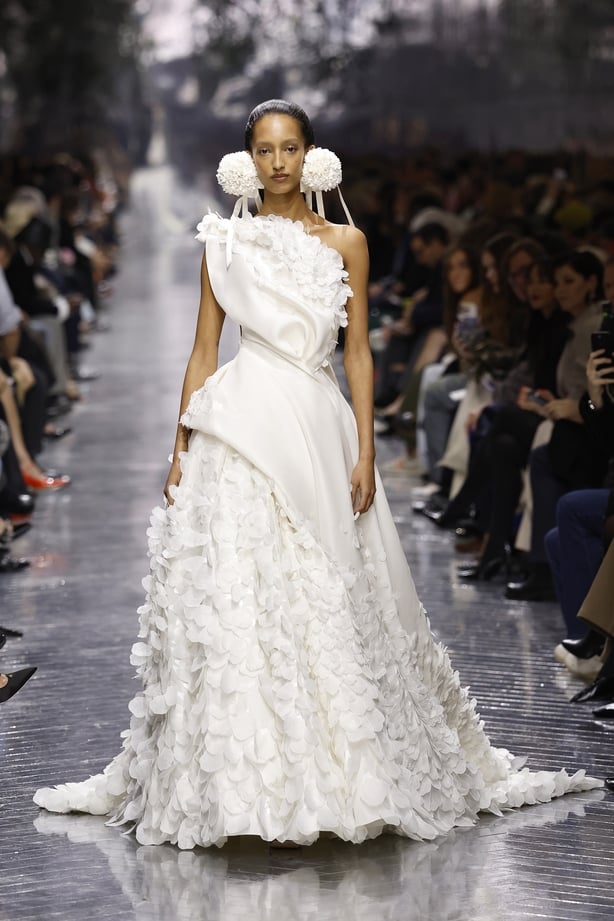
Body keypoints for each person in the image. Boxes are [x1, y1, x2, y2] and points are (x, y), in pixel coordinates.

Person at [34, 100, 599, 848]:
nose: (276, 162)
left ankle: (346, 765)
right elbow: (205, 351)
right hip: (238, 424)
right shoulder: (224, 242)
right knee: (239, 593)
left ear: (309, 155)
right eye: (264, 149)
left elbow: (358, 350)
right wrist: (179, 444)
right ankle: (245, 779)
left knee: (334, 590)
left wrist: (365, 447)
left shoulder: (348, 242)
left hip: (320, 423)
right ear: (248, 158)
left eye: (289, 147)